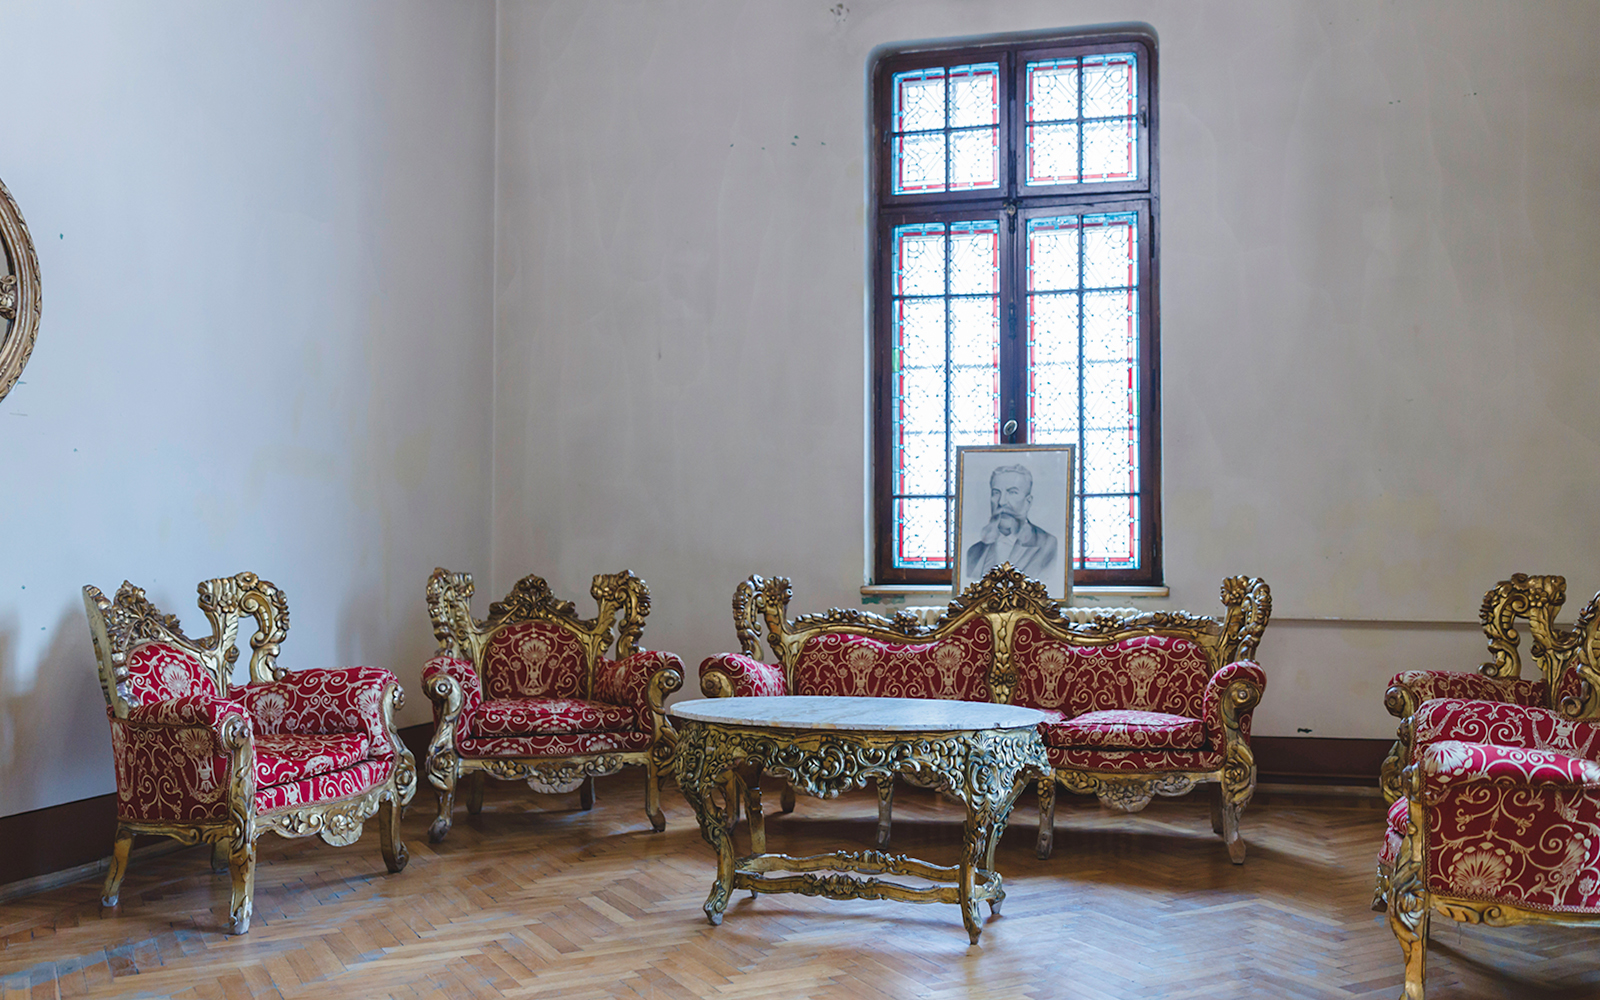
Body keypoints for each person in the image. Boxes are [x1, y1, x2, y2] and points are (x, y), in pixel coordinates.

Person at [965, 463, 1058, 579]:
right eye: (996, 493)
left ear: (1028, 502)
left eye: (1012, 492)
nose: (1002, 502)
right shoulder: (974, 552)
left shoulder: (1048, 545)